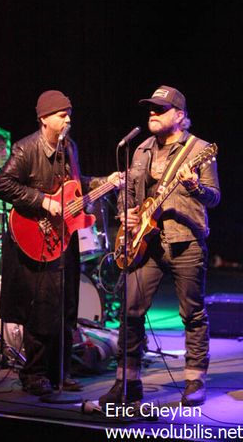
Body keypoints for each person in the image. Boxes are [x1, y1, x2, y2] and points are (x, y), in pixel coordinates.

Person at [99, 85, 220, 408]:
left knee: (192, 313)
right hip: (146, 243)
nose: (152, 113)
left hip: (186, 241)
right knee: (130, 309)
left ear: (180, 116)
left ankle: (195, 380)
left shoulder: (200, 150)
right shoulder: (140, 150)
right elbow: (128, 190)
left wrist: (194, 186)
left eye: (160, 109)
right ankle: (128, 381)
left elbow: (214, 197)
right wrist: (127, 213)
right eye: (150, 108)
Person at [0, 90, 122, 396]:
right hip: (34, 236)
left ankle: (60, 371)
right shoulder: (27, 149)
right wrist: (42, 202)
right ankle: (34, 373)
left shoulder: (70, 148)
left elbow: (75, 185)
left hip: (64, 237)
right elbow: (3, 184)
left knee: (66, 306)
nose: (68, 118)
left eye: (69, 113)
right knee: (40, 307)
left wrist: (105, 182)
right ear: (44, 119)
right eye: (61, 114)